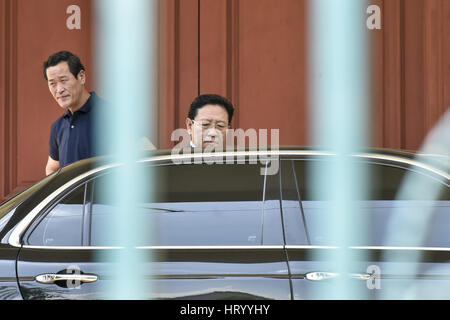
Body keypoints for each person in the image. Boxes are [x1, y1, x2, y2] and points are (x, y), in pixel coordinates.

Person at [43, 50, 104, 175]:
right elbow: (52, 168)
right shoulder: (58, 127)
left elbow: (146, 159)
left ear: (81, 77)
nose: (59, 90)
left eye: (63, 80)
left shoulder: (110, 115)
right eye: (53, 84)